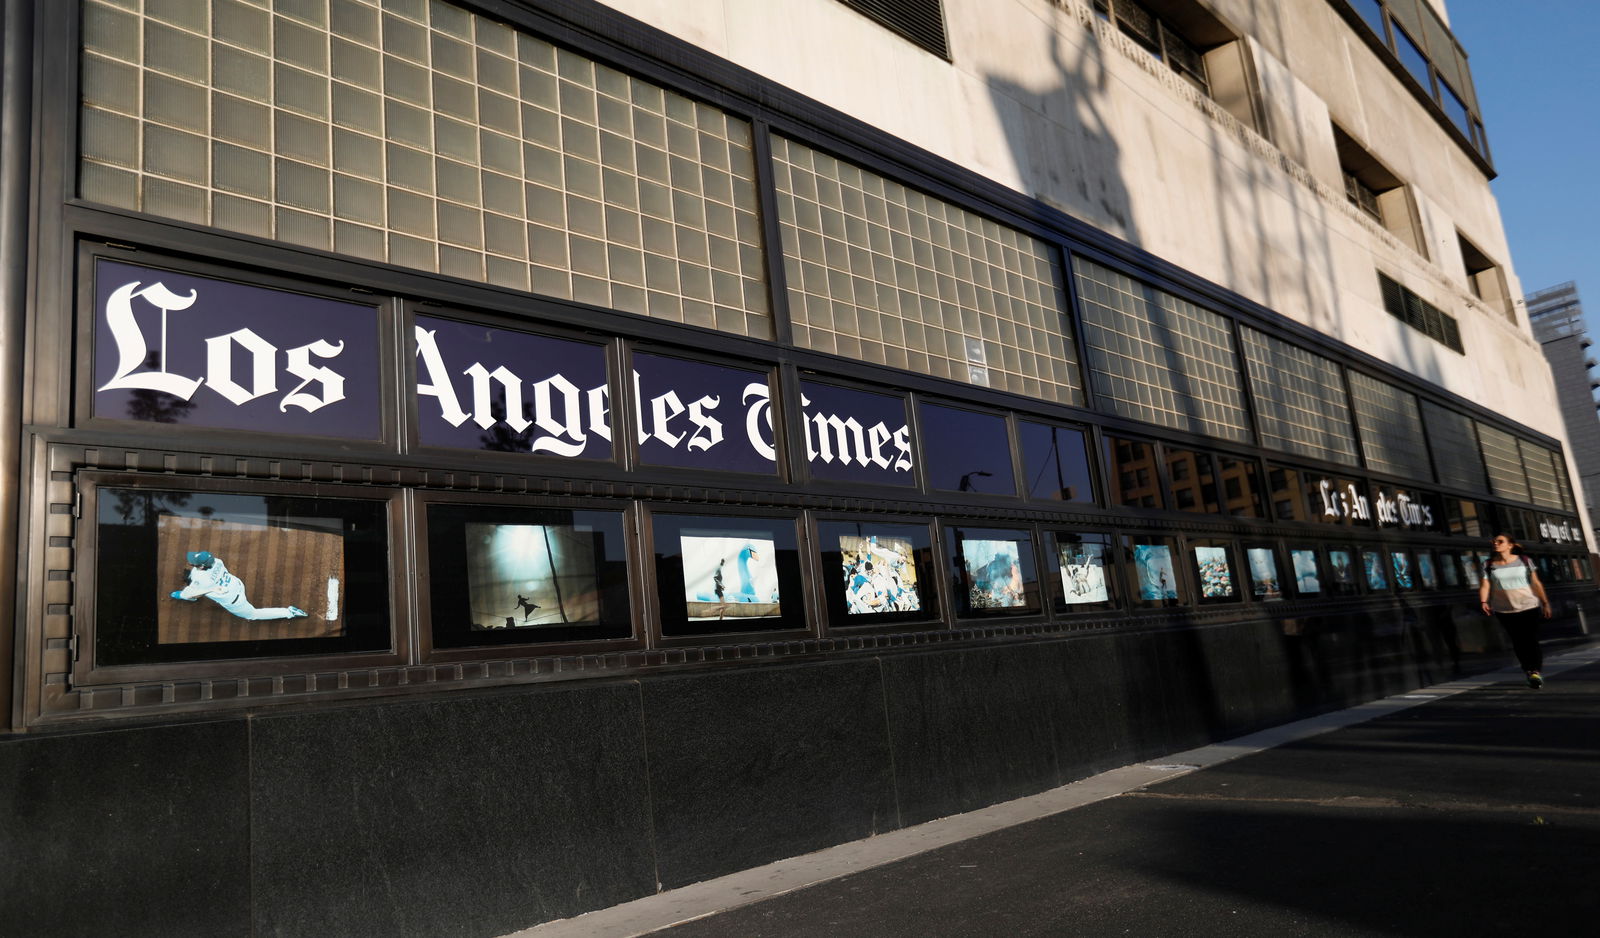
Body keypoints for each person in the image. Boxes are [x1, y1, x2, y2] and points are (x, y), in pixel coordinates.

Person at [1477, 533, 1551, 688]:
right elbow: (1485, 585)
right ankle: (1528, 671)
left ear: (1510, 545)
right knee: (1518, 641)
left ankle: (1535, 671)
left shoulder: (1524, 561)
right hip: (1504, 610)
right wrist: (1484, 601)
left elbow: (1536, 583)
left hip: (1528, 605)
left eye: (1500, 541)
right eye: (1494, 541)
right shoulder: (1489, 564)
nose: (1496, 543)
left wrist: (1545, 603)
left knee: (1530, 639)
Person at [170, 550, 308, 620]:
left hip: (235, 601)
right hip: (237, 584)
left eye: (193, 563)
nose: (191, 564)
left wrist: (184, 594)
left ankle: (289, 612)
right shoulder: (217, 561)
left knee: (252, 615)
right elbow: (202, 574)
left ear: (200, 566)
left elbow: (192, 592)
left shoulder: (200, 580)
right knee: (199, 590)